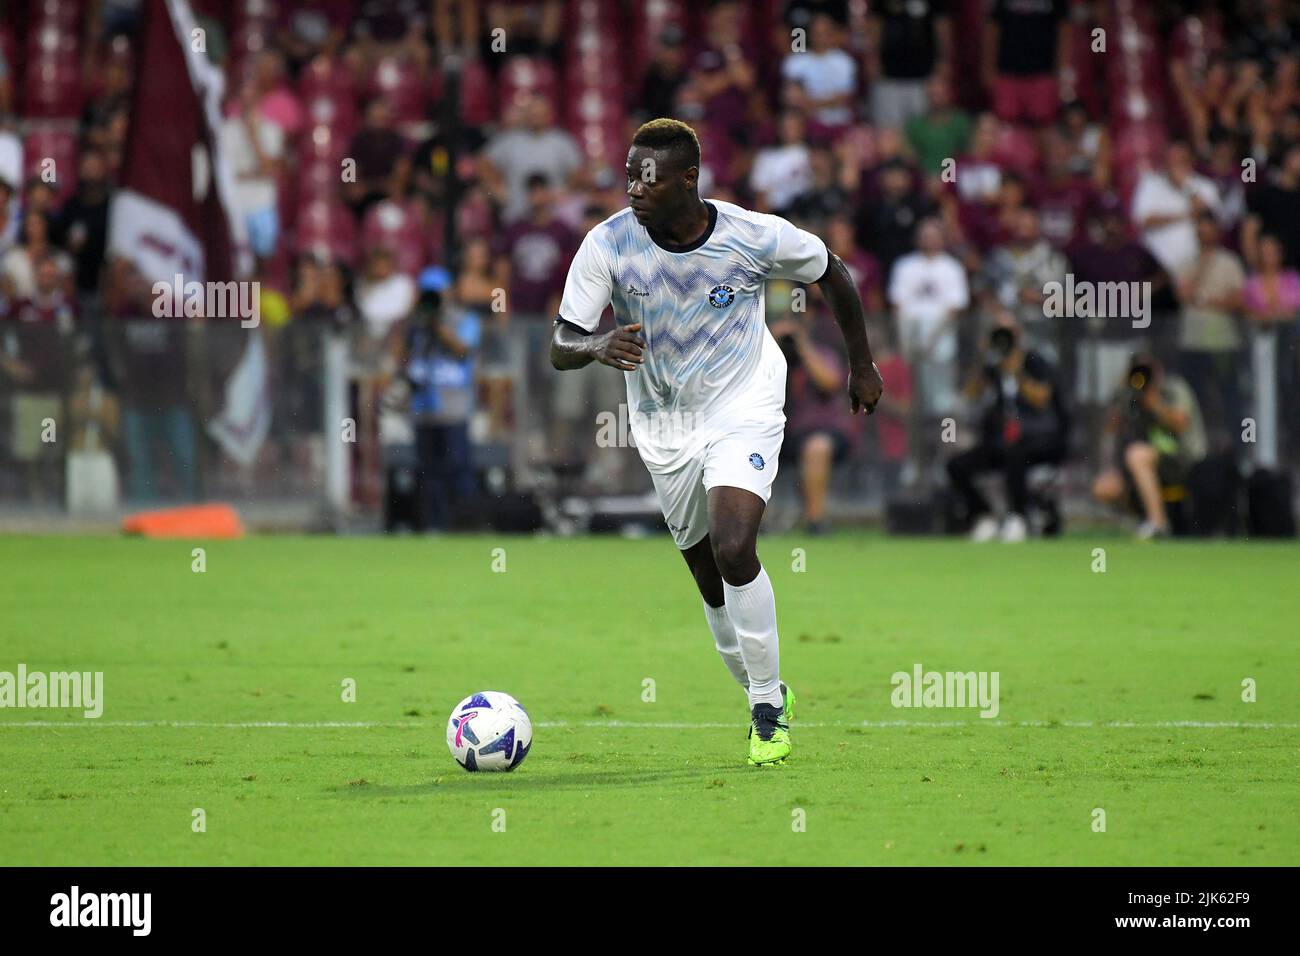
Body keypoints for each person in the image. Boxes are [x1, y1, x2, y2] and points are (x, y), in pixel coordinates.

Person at [550, 119, 883, 766]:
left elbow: (833, 272)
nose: (635, 193)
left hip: (743, 402)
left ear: (688, 180)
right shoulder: (607, 245)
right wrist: (593, 344)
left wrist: (861, 365)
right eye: (629, 179)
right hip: (664, 424)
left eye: (649, 181)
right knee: (708, 580)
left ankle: (764, 710)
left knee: (735, 548)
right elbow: (560, 343)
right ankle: (769, 691)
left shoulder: (751, 235)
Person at [948, 325, 1070, 543]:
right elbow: (969, 394)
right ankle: (983, 515)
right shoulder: (992, 365)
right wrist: (983, 360)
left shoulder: (1034, 361)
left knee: (1016, 453)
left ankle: (1019, 516)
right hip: (1001, 441)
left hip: (1041, 439)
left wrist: (1018, 373)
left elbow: (1042, 399)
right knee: (957, 465)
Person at [1091, 353, 1207, 539]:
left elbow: (1181, 423)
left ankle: (1158, 523)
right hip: (1143, 463)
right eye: (1137, 371)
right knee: (1104, 487)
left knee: (1137, 455)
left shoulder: (1173, 387)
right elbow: (1110, 428)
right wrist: (1123, 394)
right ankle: (1141, 519)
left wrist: (1154, 402)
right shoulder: (1129, 394)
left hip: (1181, 459)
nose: (1142, 377)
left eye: (1147, 371)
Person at [768, 309, 860, 535]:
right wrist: (771, 342)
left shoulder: (823, 352)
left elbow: (829, 382)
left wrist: (800, 343)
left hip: (823, 431)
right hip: (776, 432)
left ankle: (815, 520)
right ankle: (753, 525)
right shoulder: (766, 355)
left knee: (816, 447)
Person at [403, 268, 480, 532]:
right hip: (423, 407)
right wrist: (412, 322)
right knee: (427, 472)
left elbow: (463, 350)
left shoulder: (464, 319)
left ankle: (465, 524)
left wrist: (438, 326)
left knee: (458, 466)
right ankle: (433, 526)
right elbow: (399, 357)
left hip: (453, 407)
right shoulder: (415, 324)